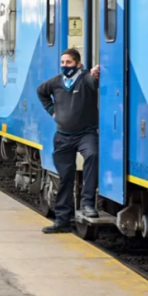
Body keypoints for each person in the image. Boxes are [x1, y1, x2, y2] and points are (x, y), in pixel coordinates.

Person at [37, 48, 101, 234]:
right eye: (63, 63)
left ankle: (88, 204)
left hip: (85, 134)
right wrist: (52, 111)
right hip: (63, 136)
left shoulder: (85, 78)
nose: (65, 66)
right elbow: (41, 91)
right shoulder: (56, 82)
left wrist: (95, 74)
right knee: (65, 177)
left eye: (69, 63)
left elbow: (93, 81)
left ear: (79, 64)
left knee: (92, 155)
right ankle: (62, 221)